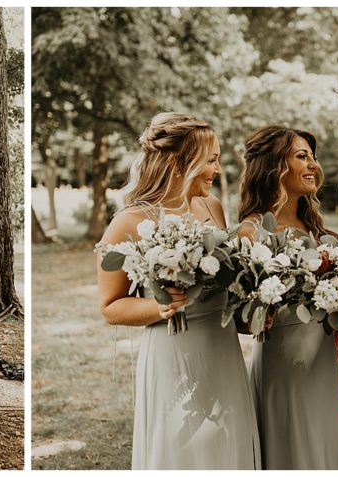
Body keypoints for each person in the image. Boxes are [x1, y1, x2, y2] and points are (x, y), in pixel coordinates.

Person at [97, 112, 260, 469]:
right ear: (177, 162)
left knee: (226, 440)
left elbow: (226, 281)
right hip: (173, 352)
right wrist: (160, 307)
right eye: (211, 160)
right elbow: (110, 307)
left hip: (222, 348)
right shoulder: (129, 221)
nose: (216, 170)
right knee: (182, 450)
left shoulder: (212, 207)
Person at [238, 125, 338, 469]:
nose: (313, 165)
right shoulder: (251, 231)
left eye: (313, 157)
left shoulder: (320, 230)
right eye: (302, 157)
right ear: (274, 166)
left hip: (329, 360)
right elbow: (241, 315)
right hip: (283, 364)